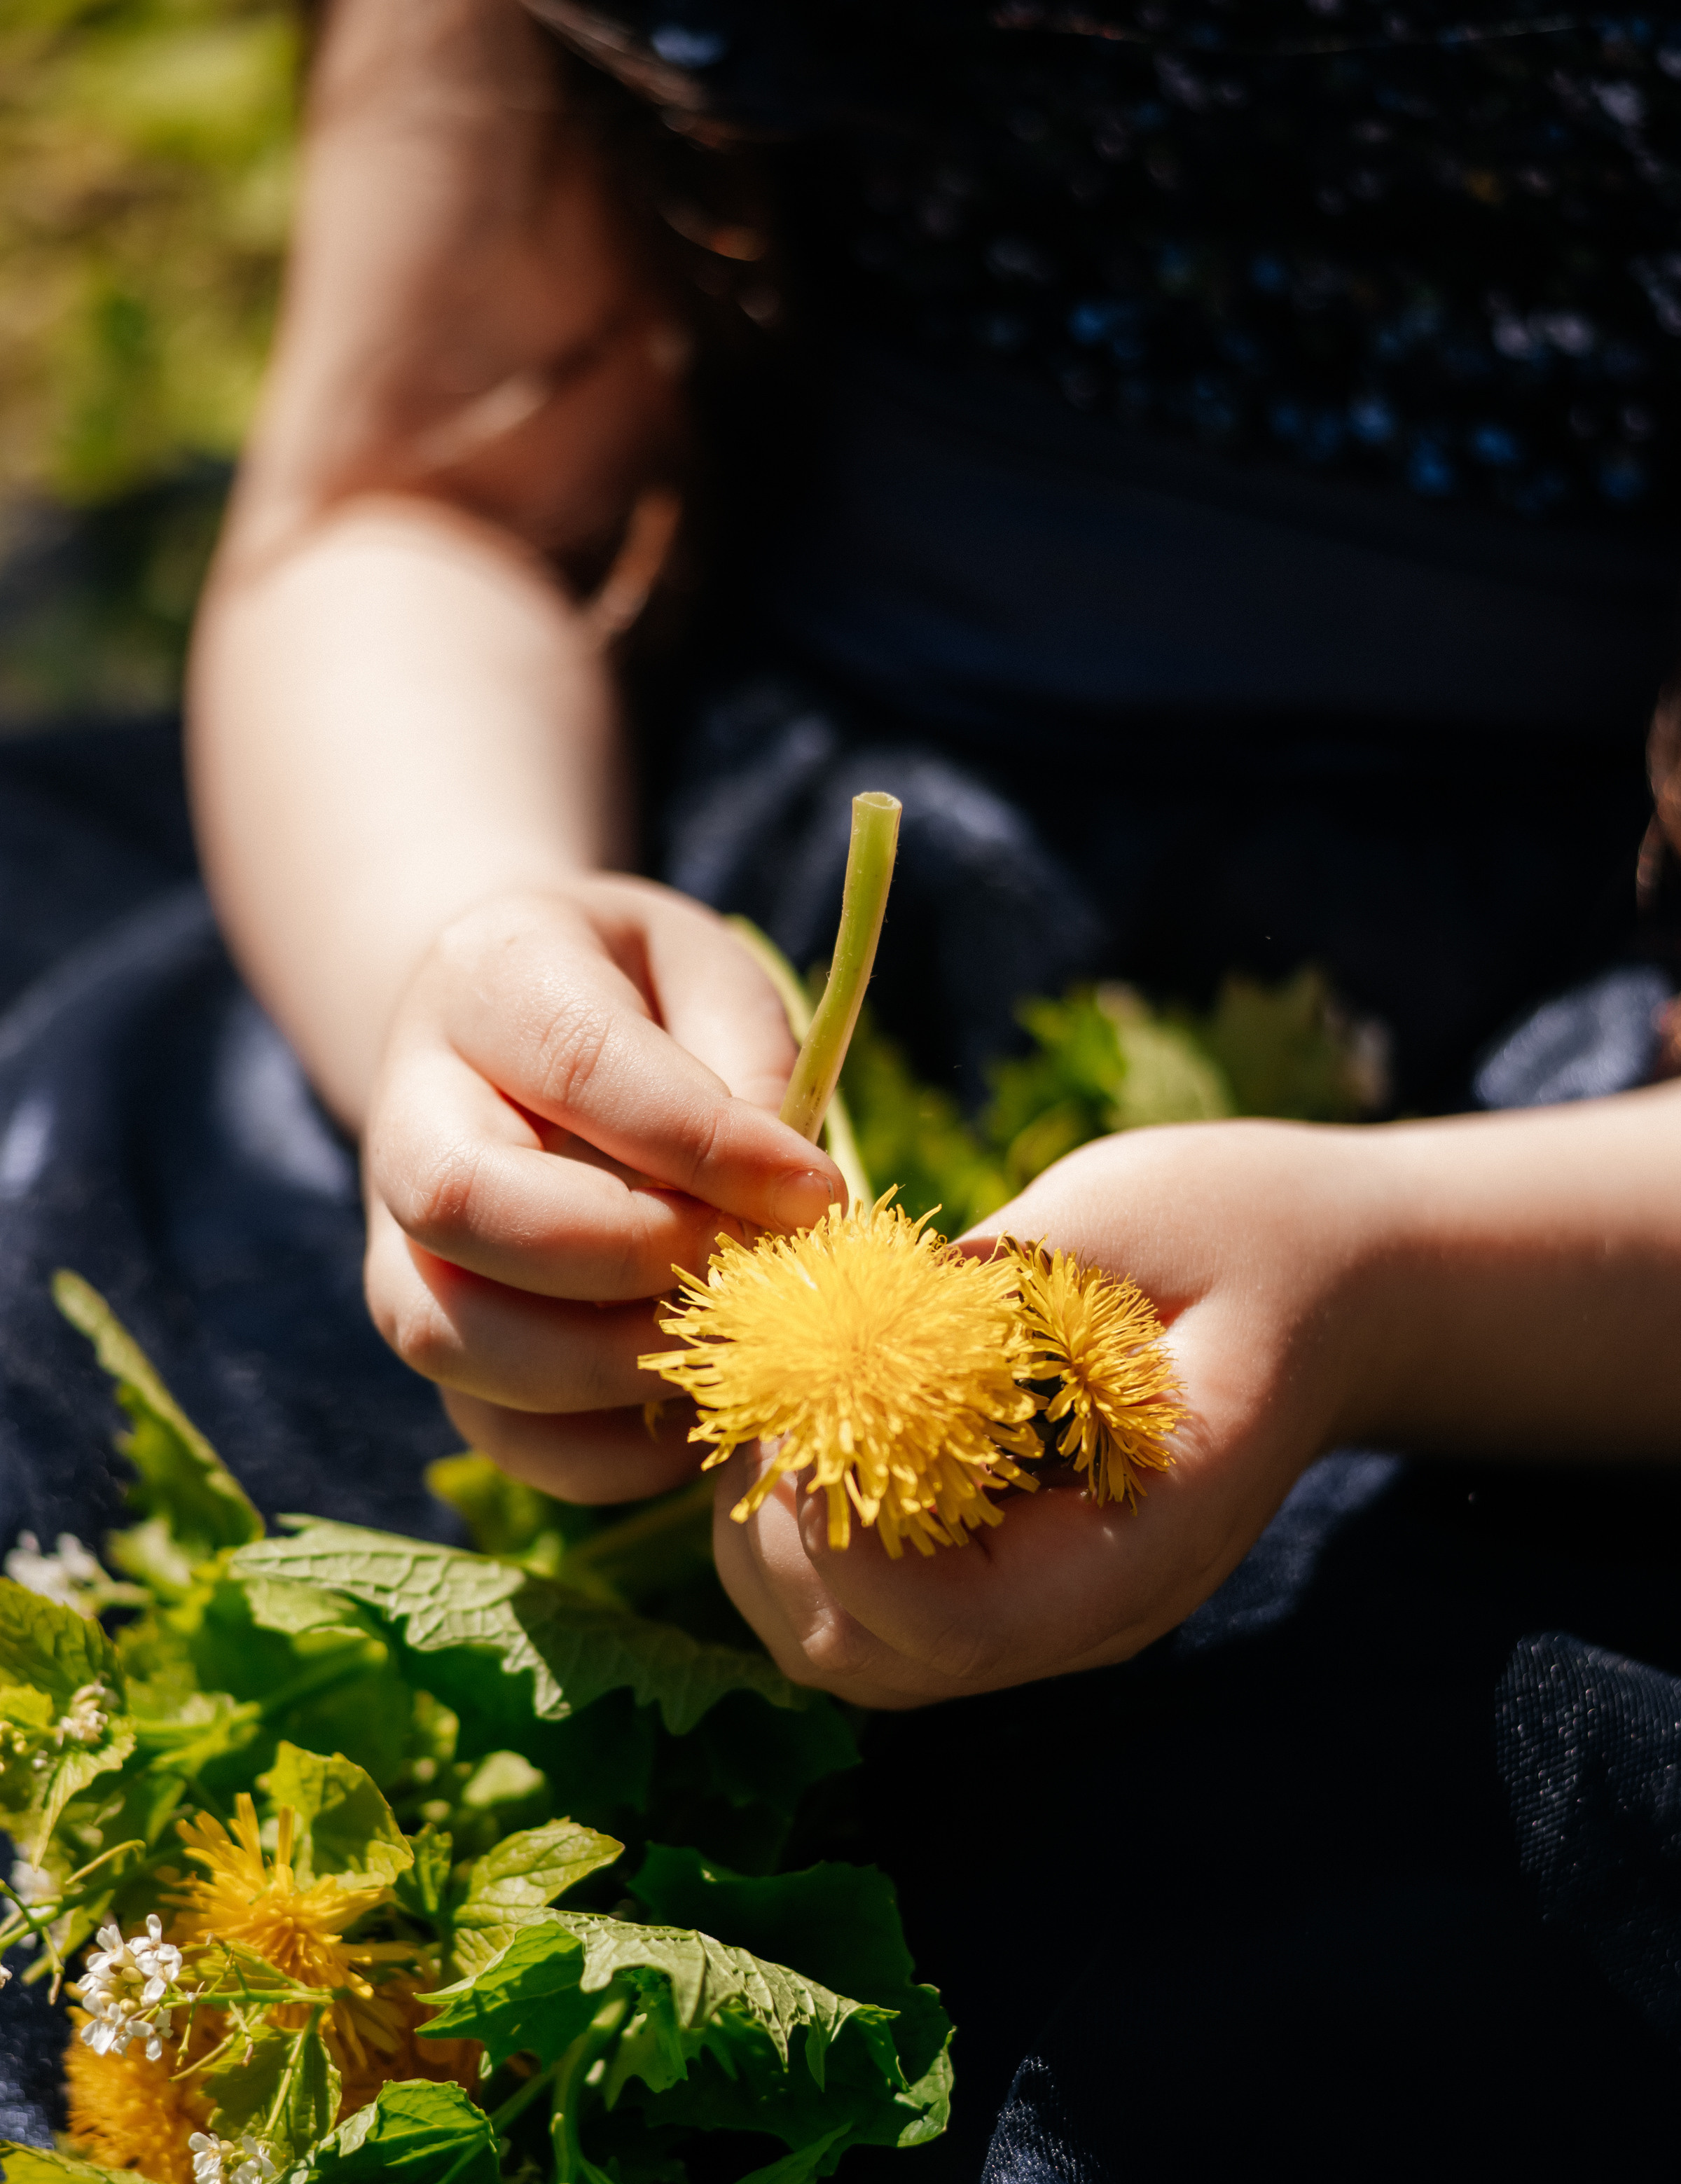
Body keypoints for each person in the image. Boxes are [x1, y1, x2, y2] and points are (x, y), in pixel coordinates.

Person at [188, 0, 1681, 1715]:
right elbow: (415, 494)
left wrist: (1401, 1287)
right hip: (728, 808)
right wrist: (464, 981)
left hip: (1584, 1140)